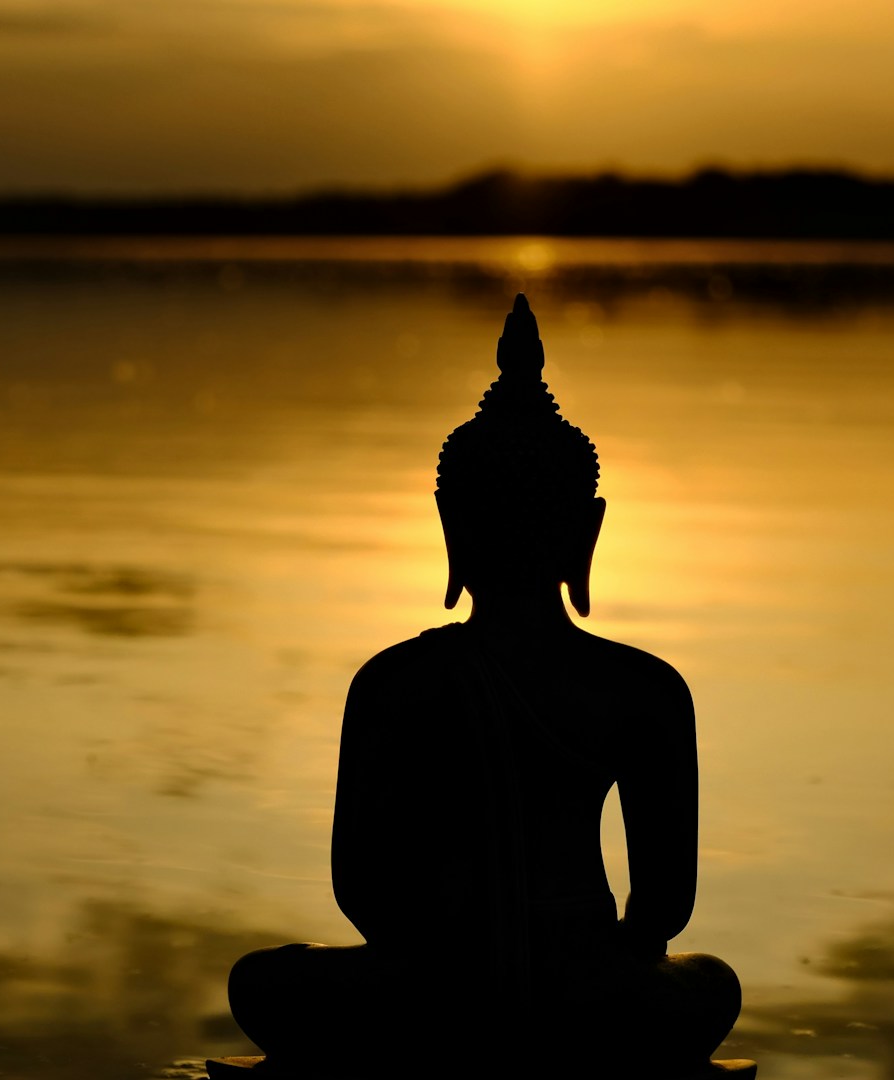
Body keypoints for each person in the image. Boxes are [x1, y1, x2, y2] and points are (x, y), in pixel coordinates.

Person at [217, 296, 746, 1079]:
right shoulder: (645, 689)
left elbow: (362, 891)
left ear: (450, 526)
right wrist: (584, 965)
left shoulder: (395, 682)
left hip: (430, 985)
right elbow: (663, 909)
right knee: (712, 986)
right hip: (587, 991)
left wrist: (449, 955)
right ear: (588, 530)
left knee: (261, 983)